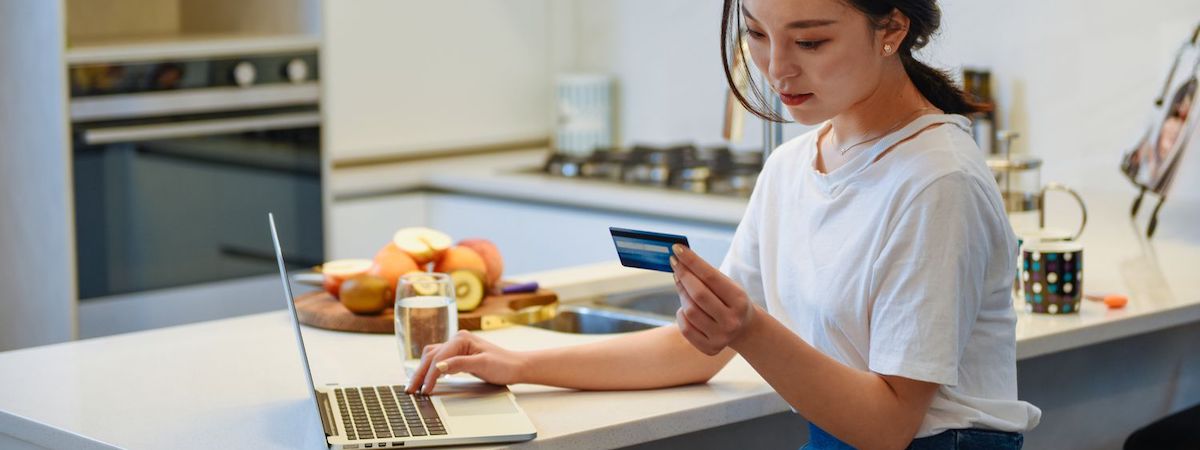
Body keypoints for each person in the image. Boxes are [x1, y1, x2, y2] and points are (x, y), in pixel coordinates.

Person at [407, 0, 1042, 448]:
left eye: (810, 41)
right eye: (757, 33)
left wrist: (748, 326)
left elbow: (887, 428)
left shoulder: (937, 181)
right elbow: (698, 347)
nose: (776, 67)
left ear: (891, 29)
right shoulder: (797, 162)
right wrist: (520, 364)